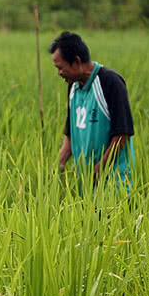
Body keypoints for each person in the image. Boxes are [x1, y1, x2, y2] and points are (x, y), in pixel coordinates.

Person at [49, 31, 135, 187]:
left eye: (60, 68)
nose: (59, 73)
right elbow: (71, 133)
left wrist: (99, 169)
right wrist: (58, 165)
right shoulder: (73, 87)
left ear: (76, 61)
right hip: (86, 182)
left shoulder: (110, 82)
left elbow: (122, 134)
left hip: (114, 182)